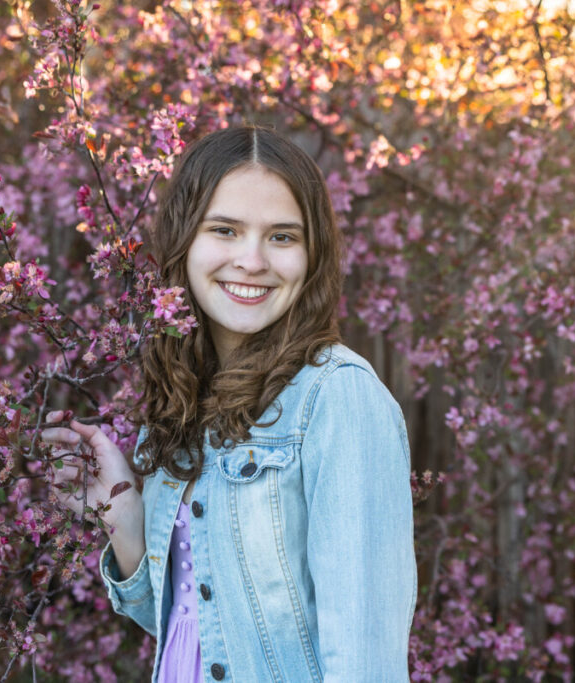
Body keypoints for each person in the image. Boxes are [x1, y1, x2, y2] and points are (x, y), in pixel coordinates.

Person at [43, 125, 416, 682]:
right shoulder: (181, 397)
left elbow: (365, 660)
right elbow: (193, 627)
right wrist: (125, 518)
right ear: (184, 239)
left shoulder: (337, 398)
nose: (252, 260)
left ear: (313, 253)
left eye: (282, 237)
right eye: (225, 229)